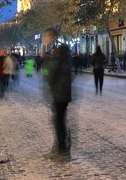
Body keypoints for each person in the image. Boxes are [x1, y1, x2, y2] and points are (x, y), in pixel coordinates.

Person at [42, 27, 72, 158]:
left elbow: (51, 72)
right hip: (62, 91)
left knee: (58, 121)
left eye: (45, 37)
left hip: (59, 91)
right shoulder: (60, 52)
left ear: (51, 37)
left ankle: (62, 150)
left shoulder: (56, 53)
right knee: (59, 120)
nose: (44, 39)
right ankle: (61, 147)